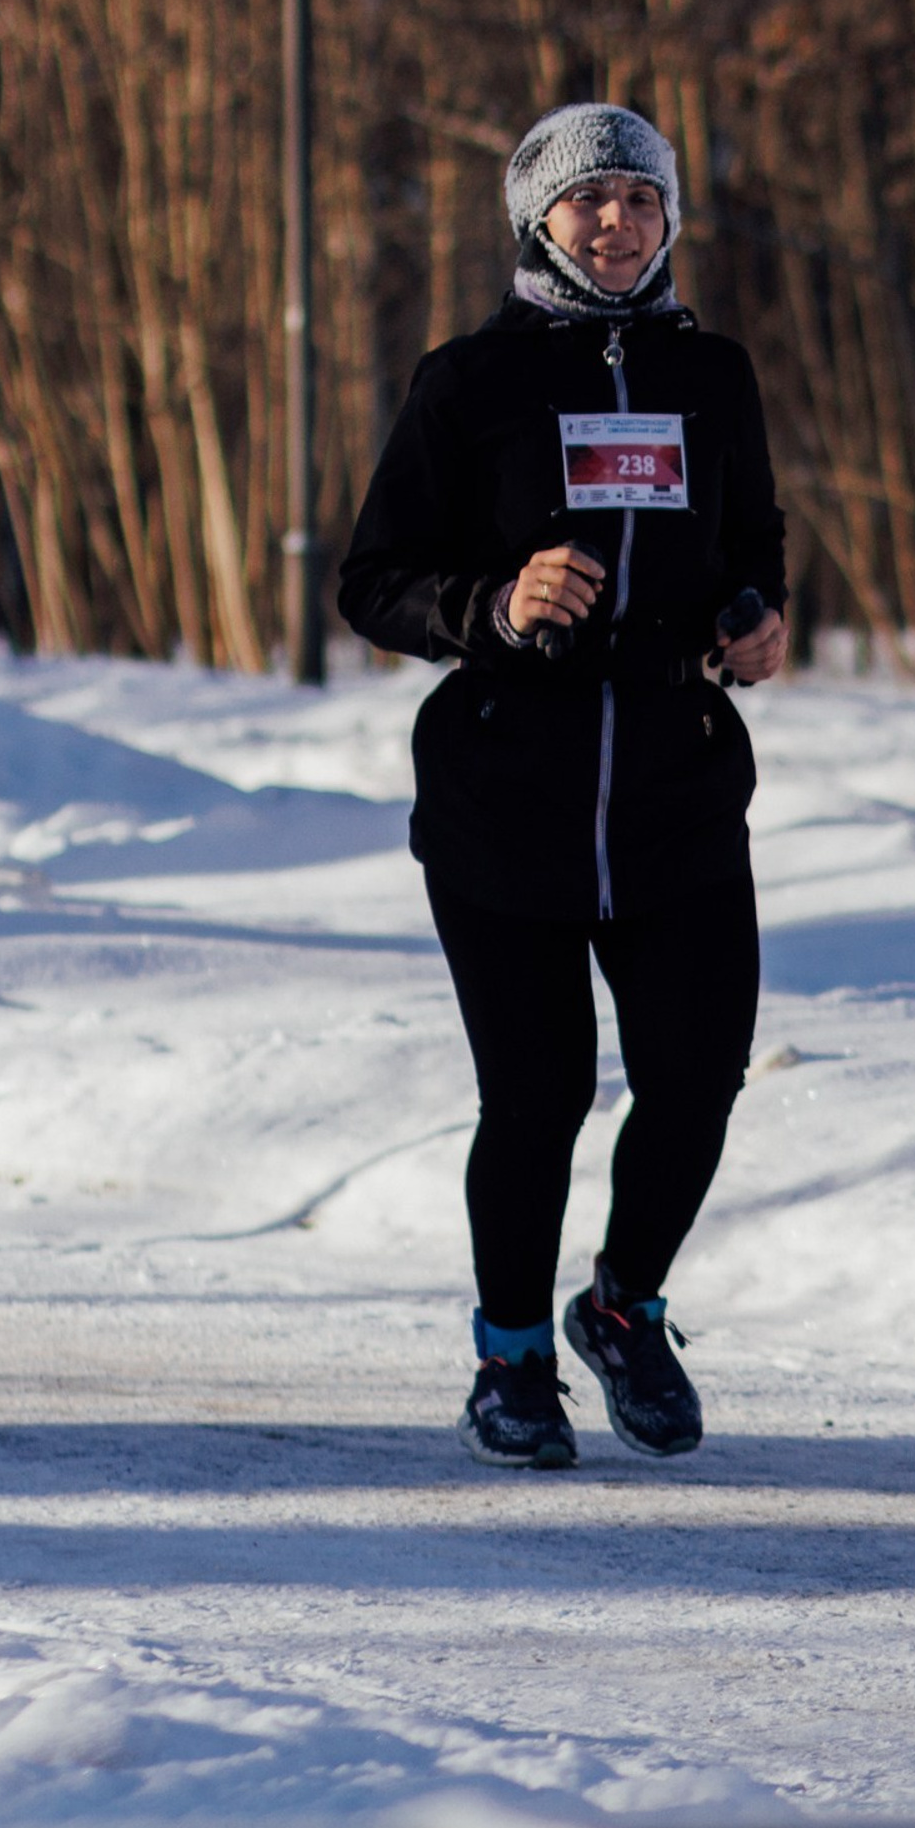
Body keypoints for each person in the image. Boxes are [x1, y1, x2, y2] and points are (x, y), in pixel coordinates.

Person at [341, 104, 788, 1470]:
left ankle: (622, 1308)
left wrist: (759, 613)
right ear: (539, 221)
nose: (618, 225)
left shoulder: (713, 375)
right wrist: (493, 600)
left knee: (698, 1078)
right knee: (535, 1097)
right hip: (507, 798)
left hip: (674, 789)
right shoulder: (466, 382)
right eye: (589, 202)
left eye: (641, 203)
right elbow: (374, 583)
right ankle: (511, 1362)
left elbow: (751, 535)